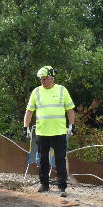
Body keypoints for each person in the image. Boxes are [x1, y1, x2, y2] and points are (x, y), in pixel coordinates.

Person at [23, 65, 76, 195]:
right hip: (42, 132)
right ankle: (44, 184)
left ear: (51, 78)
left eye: (45, 78)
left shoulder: (62, 90)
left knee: (60, 159)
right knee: (42, 160)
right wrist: (26, 127)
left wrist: (72, 125)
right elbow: (29, 111)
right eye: (41, 79)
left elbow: (70, 110)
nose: (42, 81)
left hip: (59, 132)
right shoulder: (36, 92)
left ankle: (62, 187)